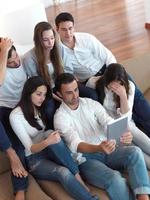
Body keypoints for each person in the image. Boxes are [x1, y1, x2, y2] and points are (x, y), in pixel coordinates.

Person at [54, 73, 150, 200]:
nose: (75, 95)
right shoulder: (60, 118)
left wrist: (123, 134)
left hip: (108, 149)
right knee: (115, 178)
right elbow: (76, 144)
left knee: (135, 151)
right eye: (69, 92)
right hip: (86, 160)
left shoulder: (90, 103)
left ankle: (143, 197)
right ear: (59, 94)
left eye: (76, 90)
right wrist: (98, 148)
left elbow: (108, 122)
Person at [55, 12, 150, 137]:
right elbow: (68, 75)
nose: (68, 33)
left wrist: (113, 75)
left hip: (108, 70)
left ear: (74, 27)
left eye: (70, 28)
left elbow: (108, 56)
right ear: (57, 30)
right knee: (99, 97)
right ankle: (117, 126)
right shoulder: (57, 52)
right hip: (89, 80)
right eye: (64, 30)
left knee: (133, 90)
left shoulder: (87, 39)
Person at [9, 76, 99, 200]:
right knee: (63, 172)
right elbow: (31, 148)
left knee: (51, 132)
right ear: (28, 93)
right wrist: (48, 141)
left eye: (44, 94)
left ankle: (79, 178)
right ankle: (88, 195)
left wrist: (53, 138)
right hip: (34, 159)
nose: (42, 98)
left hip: (50, 151)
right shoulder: (15, 116)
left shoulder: (39, 107)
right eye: (39, 94)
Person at [23, 22, 98, 128]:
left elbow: (66, 72)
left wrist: (68, 90)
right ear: (38, 41)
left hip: (62, 84)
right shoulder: (29, 58)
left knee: (92, 95)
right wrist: (61, 99)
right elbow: (38, 85)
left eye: (52, 38)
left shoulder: (59, 48)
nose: (50, 43)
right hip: (46, 91)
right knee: (49, 110)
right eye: (45, 40)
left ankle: (93, 121)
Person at [92, 63, 150, 169]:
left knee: (140, 137)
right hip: (110, 126)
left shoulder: (130, 87)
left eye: (119, 83)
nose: (116, 87)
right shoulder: (96, 83)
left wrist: (123, 96)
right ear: (106, 80)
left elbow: (126, 118)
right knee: (134, 149)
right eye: (113, 83)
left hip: (126, 122)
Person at [0, 38, 28, 200]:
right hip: (3, 110)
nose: (16, 62)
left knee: (20, 147)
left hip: (20, 108)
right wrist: (3, 52)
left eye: (16, 57)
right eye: (11, 62)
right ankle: (20, 191)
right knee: (16, 149)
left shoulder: (23, 59)